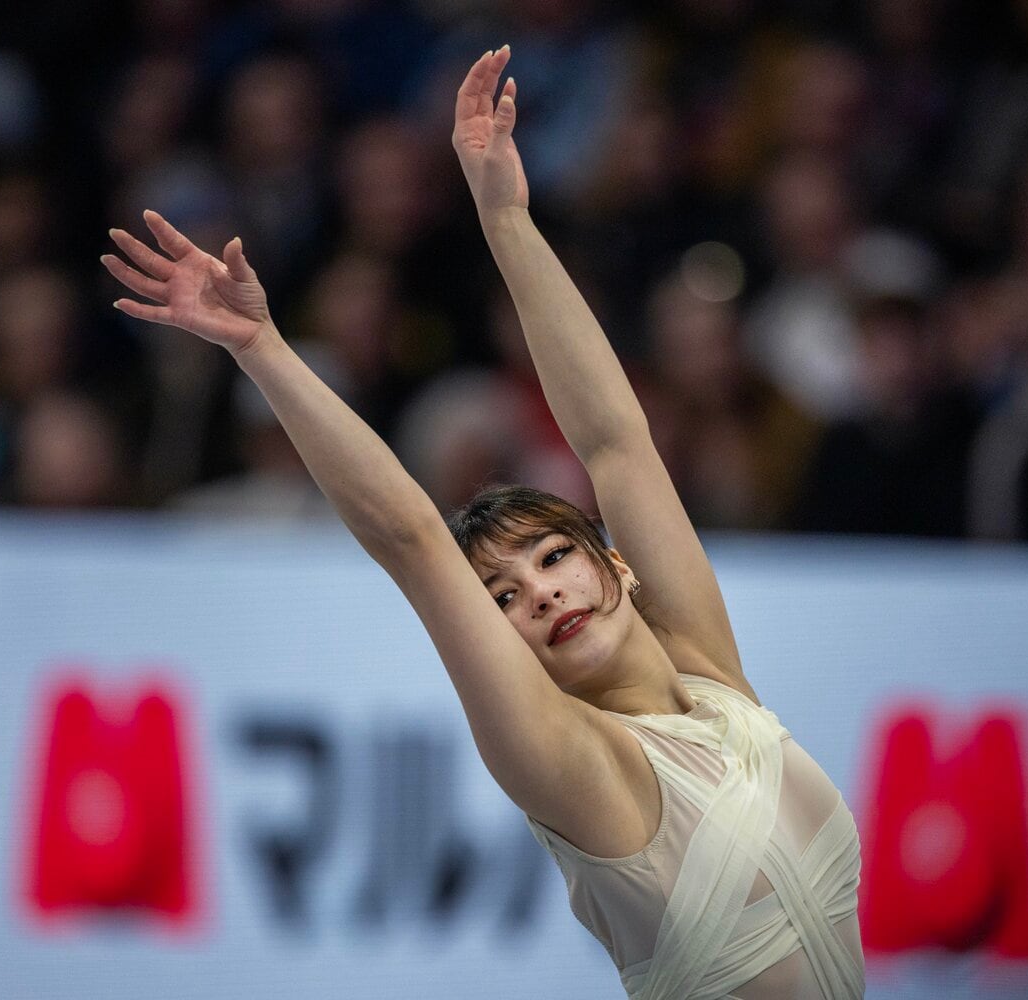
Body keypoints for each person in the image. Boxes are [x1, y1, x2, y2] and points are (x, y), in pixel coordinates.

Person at [102, 46, 864, 1000]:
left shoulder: (715, 682)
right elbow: (413, 540)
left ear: (618, 567)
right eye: (501, 596)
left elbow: (615, 442)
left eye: (554, 555)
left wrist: (506, 216)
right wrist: (264, 349)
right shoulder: (577, 766)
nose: (538, 591)